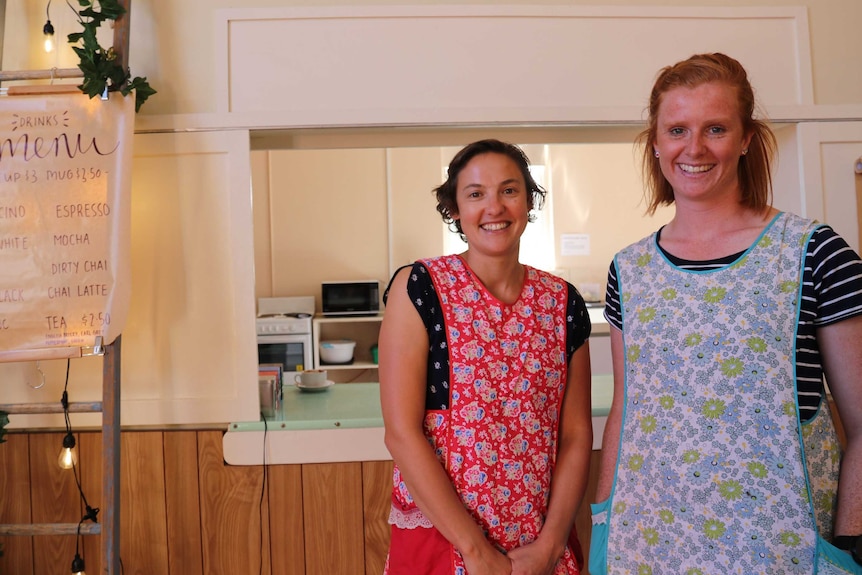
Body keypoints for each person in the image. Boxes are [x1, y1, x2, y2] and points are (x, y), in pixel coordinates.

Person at [590, 52, 862, 574]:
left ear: (745, 139)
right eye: (676, 129)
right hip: (648, 546)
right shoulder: (629, 269)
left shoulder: (813, 252)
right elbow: (627, 411)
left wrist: (849, 544)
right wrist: (604, 523)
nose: (693, 148)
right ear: (655, 142)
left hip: (782, 552)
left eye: (715, 128)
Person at [379, 139, 594, 575]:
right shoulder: (420, 288)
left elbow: (575, 434)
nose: (493, 207)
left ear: (529, 202)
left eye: (509, 190)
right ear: (455, 209)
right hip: (445, 540)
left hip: (539, 545)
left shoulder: (562, 302)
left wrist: (550, 547)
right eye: (475, 194)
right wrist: (476, 552)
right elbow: (401, 433)